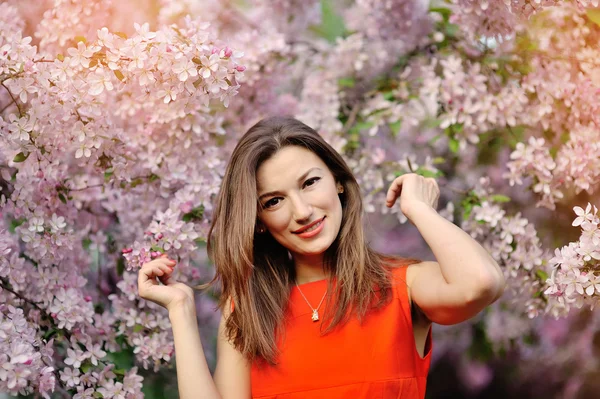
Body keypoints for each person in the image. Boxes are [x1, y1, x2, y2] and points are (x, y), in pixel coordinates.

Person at [137, 116, 506, 399]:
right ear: (260, 221)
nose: (302, 211)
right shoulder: (247, 309)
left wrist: (419, 209)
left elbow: (481, 283)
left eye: (310, 183)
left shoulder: (404, 285)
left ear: (338, 181)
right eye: (274, 201)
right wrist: (180, 311)